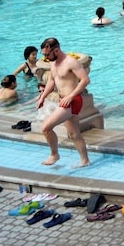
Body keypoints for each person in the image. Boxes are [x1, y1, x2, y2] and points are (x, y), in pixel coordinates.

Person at [36, 37, 91, 166]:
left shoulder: (71, 62)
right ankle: (85, 160)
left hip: (73, 100)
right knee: (74, 133)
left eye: (47, 54)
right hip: (63, 100)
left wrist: (70, 96)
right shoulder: (53, 63)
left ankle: (54, 155)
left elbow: (85, 80)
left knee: (46, 128)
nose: (45, 57)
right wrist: (43, 97)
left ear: (56, 50)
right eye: (43, 55)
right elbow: (51, 81)